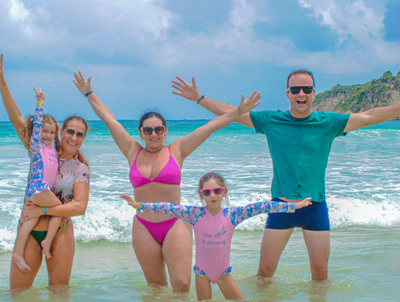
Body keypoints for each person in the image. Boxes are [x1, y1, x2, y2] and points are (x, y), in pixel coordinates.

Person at [171, 70, 400, 281]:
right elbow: (233, 114)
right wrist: (199, 98)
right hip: (281, 207)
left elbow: (371, 116)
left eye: (307, 89)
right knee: (264, 272)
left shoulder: (328, 122)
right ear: (288, 94)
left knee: (320, 275)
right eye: (296, 89)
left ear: (313, 93)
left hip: (315, 206)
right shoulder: (271, 120)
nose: (302, 93)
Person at [73, 70, 261, 292]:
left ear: (165, 131)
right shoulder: (132, 151)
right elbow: (109, 119)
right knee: (156, 289)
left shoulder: (177, 150)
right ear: (141, 133)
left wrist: (239, 112)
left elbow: (210, 127)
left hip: (175, 223)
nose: (154, 134)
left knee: (181, 285)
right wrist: (89, 94)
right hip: (143, 227)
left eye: (158, 129)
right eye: (148, 130)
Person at [120, 172, 313, 300]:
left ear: (224, 192)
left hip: (223, 273)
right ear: (201, 194)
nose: (213, 195)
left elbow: (263, 206)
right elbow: (168, 207)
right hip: (201, 273)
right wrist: (142, 206)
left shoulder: (233, 214)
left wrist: (293, 206)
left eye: (217, 190)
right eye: (207, 192)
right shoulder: (194, 214)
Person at [0, 52, 90, 289]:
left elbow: (80, 207)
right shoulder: (42, 150)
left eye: (80, 134)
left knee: (59, 296)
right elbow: (16, 117)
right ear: (60, 131)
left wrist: (42, 207)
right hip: (29, 229)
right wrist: (2, 82)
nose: (73, 137)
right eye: (70, 131)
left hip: (61, 232)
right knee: (19, 297)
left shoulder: (80, 168)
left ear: (83, 139)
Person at [11, 87, 63, 273]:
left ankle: (18, 252)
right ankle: (47, 241)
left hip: (40, 191)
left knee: (31, 219)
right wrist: (40, 102)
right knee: (59, 210)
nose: (47, 135)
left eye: (51, 132)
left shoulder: (52, 149)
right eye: (44, 132)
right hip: (37, 188)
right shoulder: (36, 146)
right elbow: (38, 125)